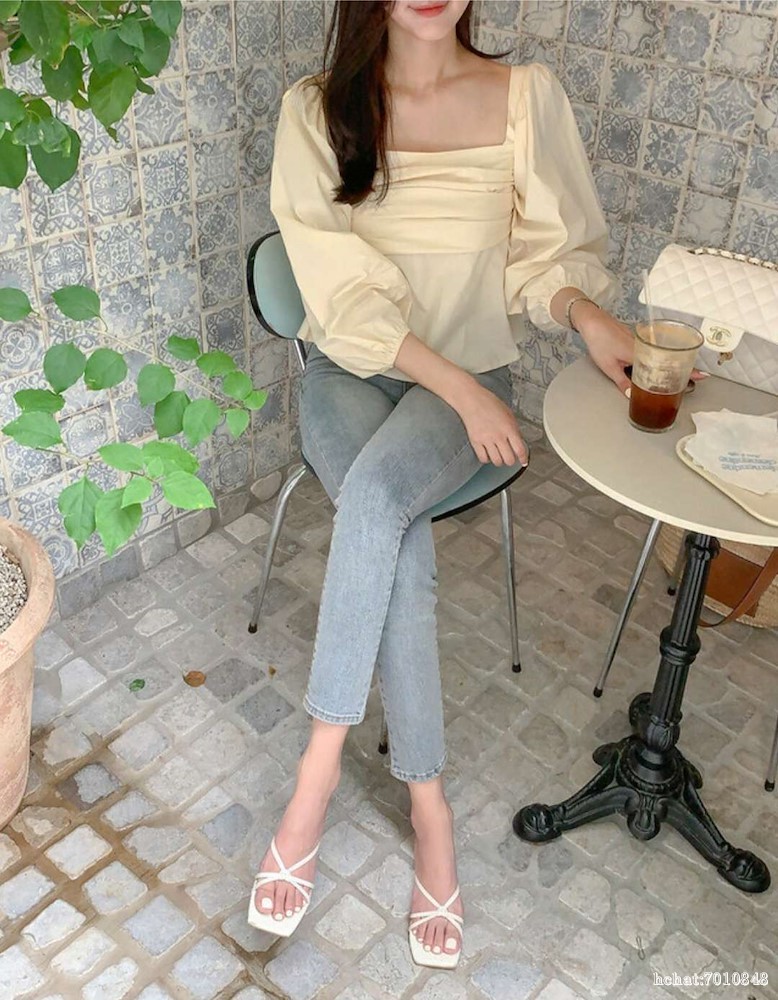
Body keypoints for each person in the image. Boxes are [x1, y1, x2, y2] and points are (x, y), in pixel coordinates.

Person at [247, 0, 634, 970]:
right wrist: (460, 389)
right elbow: (339, 295)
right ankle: (426, 809)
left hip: (465, 383)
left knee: (378, 505)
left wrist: (582, 313)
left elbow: (542, 257)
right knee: (393, 523)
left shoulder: (523, 98)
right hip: (353, 375)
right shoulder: (314, 110)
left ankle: (314, 787)